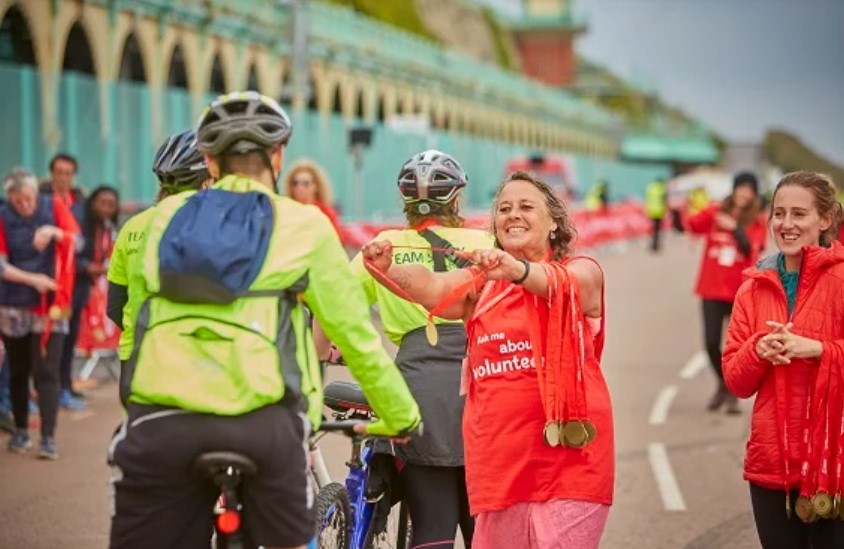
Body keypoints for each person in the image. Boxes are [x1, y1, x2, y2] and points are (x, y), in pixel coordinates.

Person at [108, 91, 421, 549]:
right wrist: (402, 415)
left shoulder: (156, 221)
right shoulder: (305, 225)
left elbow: (134, 315)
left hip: (163, 421)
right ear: (278, 155)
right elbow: (355, 336)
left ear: (209, 160)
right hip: (264, 424)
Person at [361, 171, 614, 549]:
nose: (513, 214)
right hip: (498, 470)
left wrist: (516, 270)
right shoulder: (482, 285)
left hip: (568, 466)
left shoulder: (582, 271)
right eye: (504, 209)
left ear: (554, 224)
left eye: (526, 207)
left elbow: (567, 285)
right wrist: (388, 269)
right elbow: (433, 287)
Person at [328, 150, 492, 549]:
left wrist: (337, 346)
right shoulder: (486, 242)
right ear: (455, 199)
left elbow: (338, 302)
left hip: (415, 386)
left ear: (405, 202)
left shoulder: (384, 245)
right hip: (481, 384)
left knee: (432, 529)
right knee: (486, 531)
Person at [723, 171, 844, 548]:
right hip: (771, 464)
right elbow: (736, 382)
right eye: (779, 213)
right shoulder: (751, 288)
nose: (786, 225)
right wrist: (757, 350)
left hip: (833, 465)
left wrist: (821, 349)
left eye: (799, 214)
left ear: (824, 220)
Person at [107, 129, 211, 367]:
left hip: (136, 358)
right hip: (194, 361)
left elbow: (115, 305)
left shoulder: (132, 226)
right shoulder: (212, 222)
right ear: (207, 180)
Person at [0, 168, 79, 459]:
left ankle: (48, 438)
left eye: (28, 199)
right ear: (9, 198)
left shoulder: (53, 206)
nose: (23, 206)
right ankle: (21, 431)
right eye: (17, 201)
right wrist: (33, 280)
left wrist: (55, 231)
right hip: (14, 305)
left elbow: (77, 241)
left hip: (51, 305)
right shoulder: (2, 215)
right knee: (18, 370)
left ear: (36, 194)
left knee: (47, 370)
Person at [687, 172, 767, 413]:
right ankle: (724, 383)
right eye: (740, 188)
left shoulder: (757, 220)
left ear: (754, 194)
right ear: (733, 190)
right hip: (710, 289)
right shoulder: (716, 213)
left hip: (739, 292)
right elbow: (690, 225)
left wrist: (734, 228)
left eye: (748, 189)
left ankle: (733, 392)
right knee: (711, 343)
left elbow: (751, 249)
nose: (743, 193)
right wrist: (691, 206)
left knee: (738, 347)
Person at [58, 185, 120, 409]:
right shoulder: (80, 221)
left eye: (111, 205)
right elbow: (69, 254)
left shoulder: (106, 226)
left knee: (70, 339)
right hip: (66, 290)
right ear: (92, 202)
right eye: (101, 203)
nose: (105, 208)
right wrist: (87, 267)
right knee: (59, 341)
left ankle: (66, 386)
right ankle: (58, 389)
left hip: (82, 289)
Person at [282, 158, 343, 238]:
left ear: (316, 186)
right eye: (295, 183)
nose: (300, 188)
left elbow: (337, 239)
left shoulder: (326, 213)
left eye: (305, 183)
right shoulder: (285, 212)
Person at [41, 153, 85, 222]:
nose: (63, 178)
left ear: (74, 175)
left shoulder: (80, 199)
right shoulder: (39, 197)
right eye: (59, 172)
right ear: (51, 173)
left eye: (68, 173)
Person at [645, 177, 668, 252]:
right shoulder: (662, 189)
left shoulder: (650, 188)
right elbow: (664, 200)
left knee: (652, 229)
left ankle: (652, 244)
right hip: (659, 211)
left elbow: (647, 199)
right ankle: (656, 244)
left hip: (651, 211)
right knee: (657, 230)